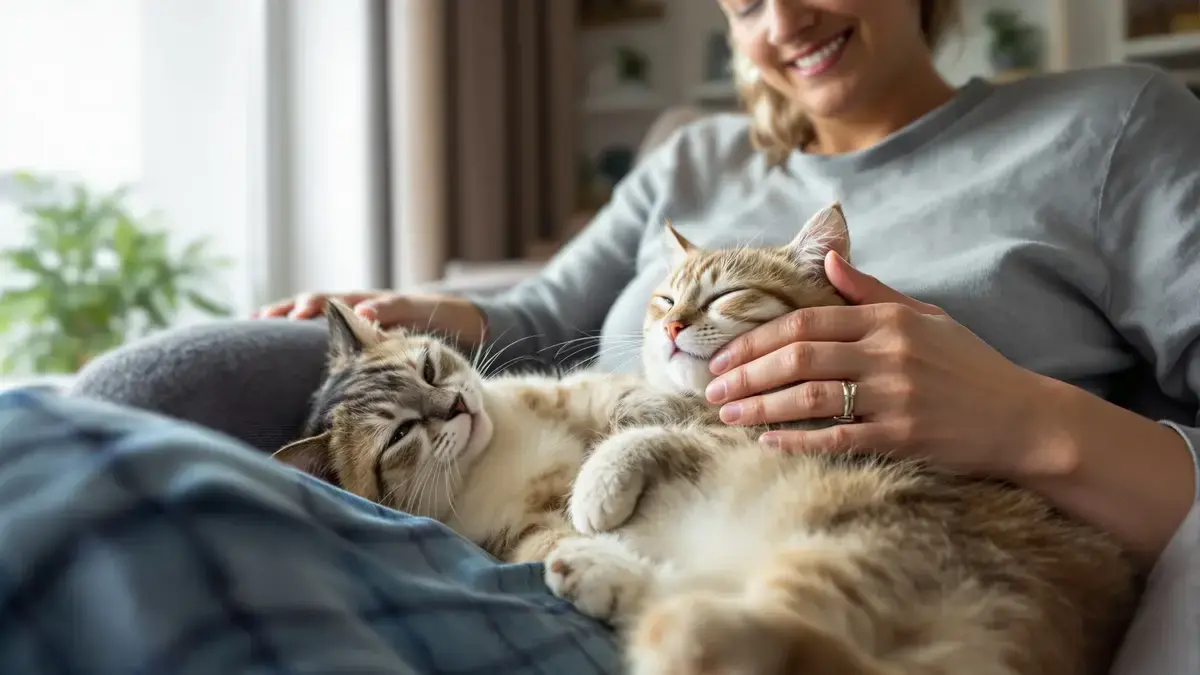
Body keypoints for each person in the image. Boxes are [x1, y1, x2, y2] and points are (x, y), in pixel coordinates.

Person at [44, 0, 1194, 672]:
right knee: (81, 456)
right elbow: (546, 316)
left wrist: (1032, 425)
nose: (783, 22)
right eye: (742, 3)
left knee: (111, 525)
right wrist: (430, 316)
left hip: (823, 545)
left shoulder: (1108, 127)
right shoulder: (690, 156)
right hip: (532, 527)